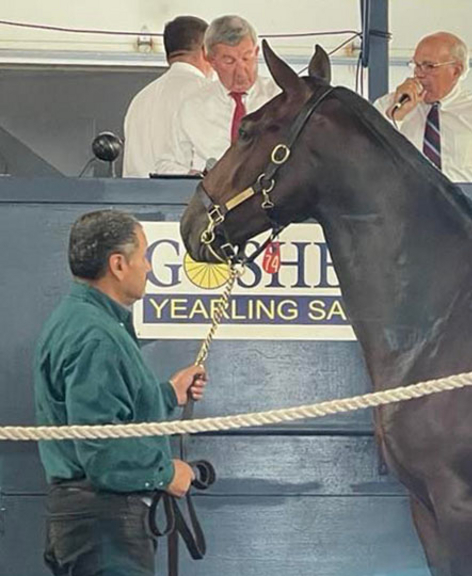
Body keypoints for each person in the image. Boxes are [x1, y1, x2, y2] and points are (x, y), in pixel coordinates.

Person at [34, 209, 208, 575]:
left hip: (89, 526)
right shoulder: (97, 336)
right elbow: (101, 450)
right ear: (118, 264)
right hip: (105, 528)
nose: (147, 266)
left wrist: (167, 395)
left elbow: (106, 413)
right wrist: (165, 474)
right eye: (143, 256)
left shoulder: (79, 320)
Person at [374, 31, 472, 183]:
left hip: (464, 206)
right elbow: (367, 160)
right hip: (403, 207)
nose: (418, 74)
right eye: (416, 65)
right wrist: (396, 118)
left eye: (429, 66)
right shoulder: (388, 105)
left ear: (456, 71)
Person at [155, 15, 280, 174]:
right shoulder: (192, 107)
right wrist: (193, 176)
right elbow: (166, 165)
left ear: (256, 52)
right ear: (210, 60)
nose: (241, 71)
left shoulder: (281, 98)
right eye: (229, 61)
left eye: (247, 58)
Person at [122, 16, 213, 178]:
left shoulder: (140, 99)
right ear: (205, 50)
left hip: (134, 199)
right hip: (184, 199)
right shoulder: (206, 93)